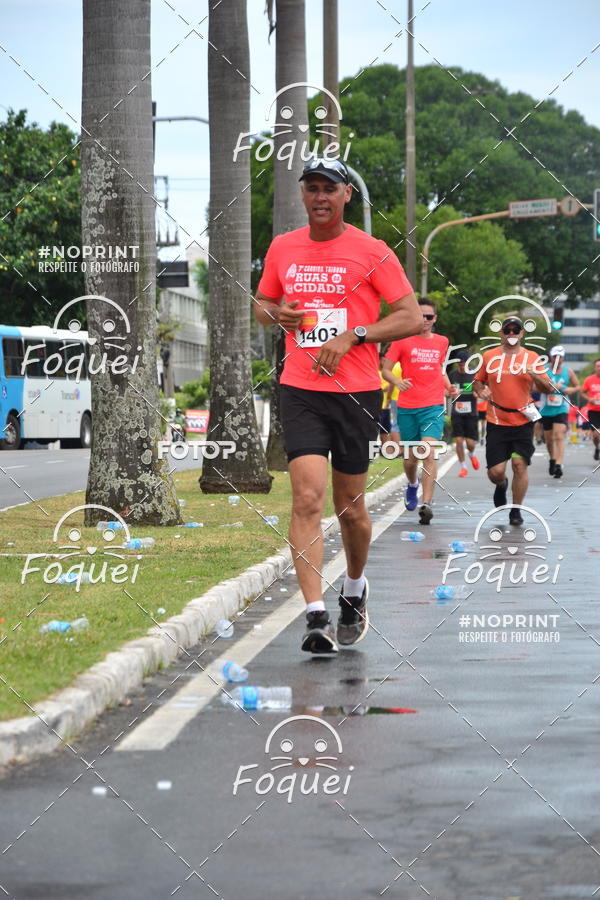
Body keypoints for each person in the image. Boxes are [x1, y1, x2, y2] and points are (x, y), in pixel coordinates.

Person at [253, 156, 421, 654]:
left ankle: (353, 588)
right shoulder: (284, 247)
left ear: (348, 194)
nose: (320, 197)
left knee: (351, 508)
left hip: (357, 392)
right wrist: (275, 313)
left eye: (329, 188)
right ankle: (314, 615)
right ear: (302, 194)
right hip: (300, 388)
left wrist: (355, 335)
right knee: (306, 498)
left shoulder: (372, 251)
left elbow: (410, 316)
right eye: (311, 188)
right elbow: (261, 305)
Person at [381, 298, 457, 525]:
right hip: (407, 406)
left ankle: (427, 504)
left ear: (435, 320)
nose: (425, 320)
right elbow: (385, 369)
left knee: (428, 452)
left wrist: (448, 385)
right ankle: (412, 484)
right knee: (410, 459)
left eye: (429, 317)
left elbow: (439, 369)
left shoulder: (442, 341)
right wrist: (397, 381)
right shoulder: (402, 341)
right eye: (421, 316)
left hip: (433, 405)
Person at [473, 315, 552, 526]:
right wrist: (481, 391)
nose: (511, 334)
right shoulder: (489, 356)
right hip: (497, 421)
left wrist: (535, 376)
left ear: (521, 333)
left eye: (515, 330)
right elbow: (477, 383)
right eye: (507, 330)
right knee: (496, 472)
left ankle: (516, 510)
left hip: (523, 421)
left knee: (519, 465)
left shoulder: (532, 357)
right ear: (501, 333)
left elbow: (549, 388)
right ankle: (501, 484)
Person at [539, 345, 579, 478]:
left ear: (563, 358)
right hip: (546, 409)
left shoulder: (568, 371)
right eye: (555, 356)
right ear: (550, 357)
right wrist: (548, 388)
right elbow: (534, 387)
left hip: (562, 407)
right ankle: (552, 459)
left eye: (560, 356)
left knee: (559, 435)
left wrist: (568, 390)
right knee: (549, 439)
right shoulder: (543, 371)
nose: (557, 358)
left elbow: (578, 386)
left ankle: (558, 464)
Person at [448, 351, 481, 477]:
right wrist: (449, 393)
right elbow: (447, 390)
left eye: (463, 363)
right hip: (457, 411)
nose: (461, 365)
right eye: (459, 363)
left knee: (470, 443)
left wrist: (476, 393)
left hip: (471, 412)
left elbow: (480, 390)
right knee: (459, 440)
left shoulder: (473, 375)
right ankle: (463, 467)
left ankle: (471, 454)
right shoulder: (452, 375)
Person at [581, 358, 600, 461]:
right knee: (596, 435)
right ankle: (597, 448)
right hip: (593, 411)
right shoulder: (589, 380)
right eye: (598, 366)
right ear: (595, 368)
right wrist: (590, 399)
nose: (599, 368)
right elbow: (583, 392)